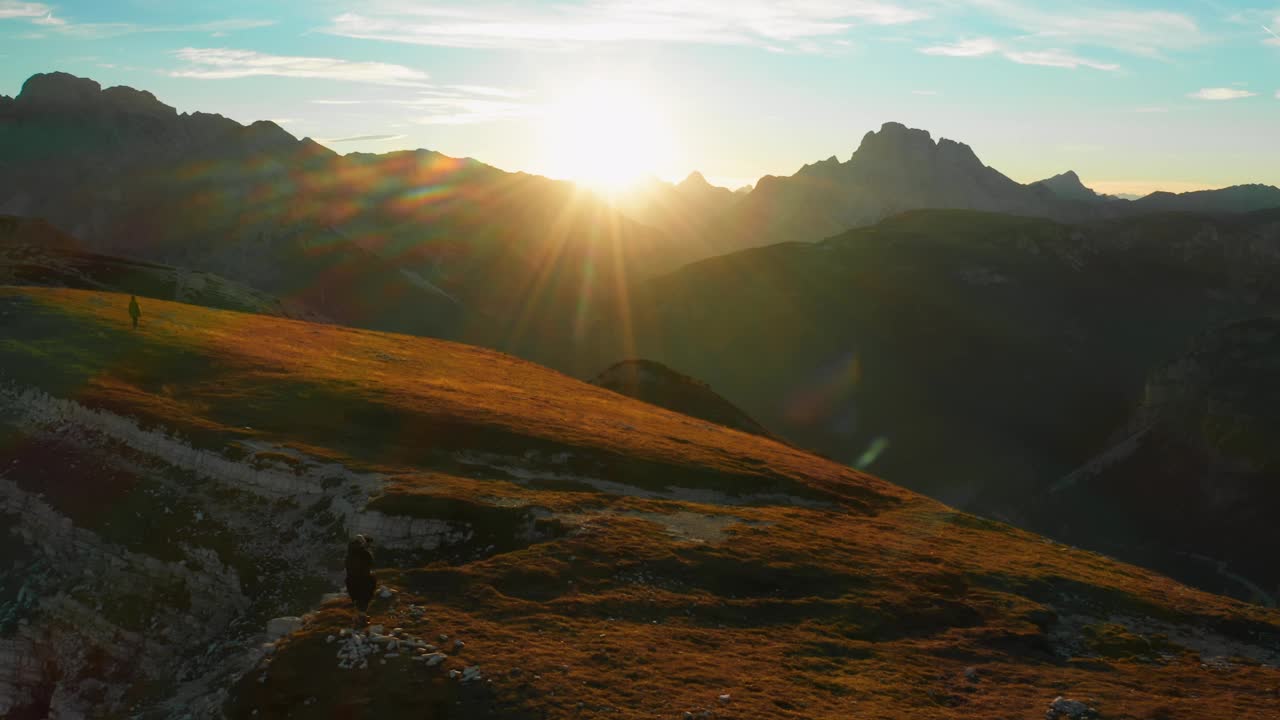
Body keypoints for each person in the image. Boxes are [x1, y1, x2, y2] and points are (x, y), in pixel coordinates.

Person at [345, 534, 376, 625]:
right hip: (363, 579)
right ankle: (361, 619)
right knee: (364, 598)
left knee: (357, 599)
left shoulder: (350, 553)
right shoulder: (365, 553)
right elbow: (370, 563)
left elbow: (348, 567)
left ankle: (358, 617)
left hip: (351, 580)